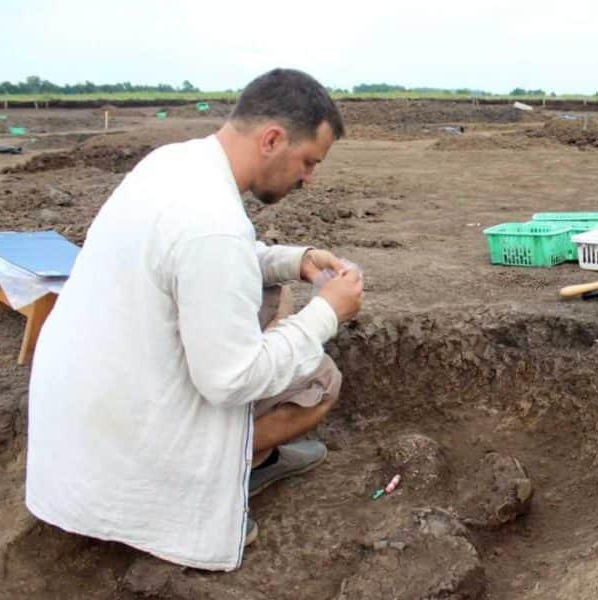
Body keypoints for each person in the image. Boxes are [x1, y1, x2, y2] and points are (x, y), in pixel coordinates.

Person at [25, 68, 364, 571]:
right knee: (322, 381)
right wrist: (327, 313)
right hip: (130, 454)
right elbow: (230, 380)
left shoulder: (174, 164)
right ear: (272, 139)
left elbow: (204, 259)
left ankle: (252, 456)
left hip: (80, 419)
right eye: (309, 162)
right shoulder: (214, 226)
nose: (308, 180)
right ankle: (231, 472)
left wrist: (295, 259)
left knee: (271, 292)